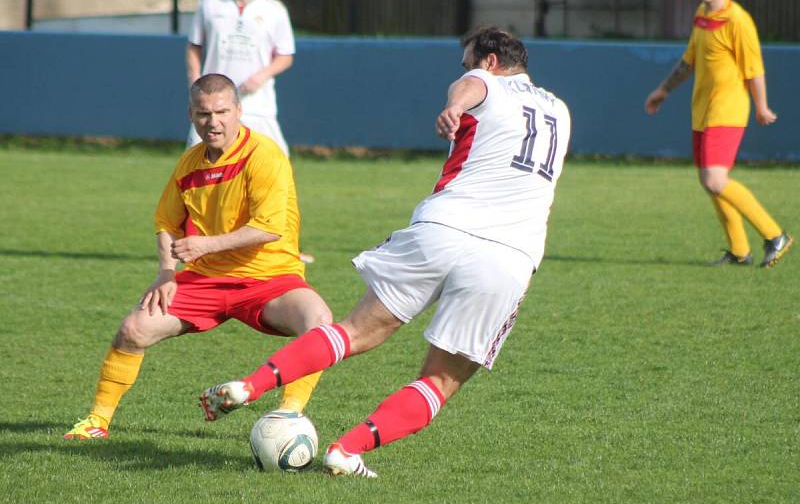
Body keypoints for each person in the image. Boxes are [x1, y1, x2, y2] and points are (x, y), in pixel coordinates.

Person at [198, 27, 572, 477]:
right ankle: (347, 451)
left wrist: (454, 105)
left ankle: (248, 385)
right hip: (509, 256)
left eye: (469, 61)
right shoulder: (561, 111)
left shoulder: (483, 82)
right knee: (438, 381)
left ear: (491, 61)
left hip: (444, 229)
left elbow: (470, 88)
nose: (464, 72)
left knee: (354, 332)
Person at [65, 74, 330, 439]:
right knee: (133, 330)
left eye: (222, 111)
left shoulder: (264, 155)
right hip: (205, 280)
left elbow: (269, 228)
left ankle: (287, 415)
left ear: (238, 110)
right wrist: (166, 272)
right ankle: (96, 421)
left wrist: (205, 244)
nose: (213, 122)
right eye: (204, 113)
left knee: (318, 322)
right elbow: (166, 222)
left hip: (269, 278)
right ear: (191, 114)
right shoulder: (189, 164)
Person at [644, 0, 792, 268]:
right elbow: (689, 62)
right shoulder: (701, 14)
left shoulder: (738, 20)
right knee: (709, 180)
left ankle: (775, 235)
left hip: (727, 110)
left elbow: (754, 69)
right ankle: (739, 251)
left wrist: (761, 106)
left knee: (714, 179)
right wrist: (663, 91)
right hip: (703, 110)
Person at [186, 0, 294, 157]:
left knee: (275, 159)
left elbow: (286, 55)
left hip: (256, 101)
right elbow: (194, 46)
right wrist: (195, 81)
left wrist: (262, 75)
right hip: (214, 102)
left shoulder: (274, 9)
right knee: (198, 161)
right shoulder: (209, 4)